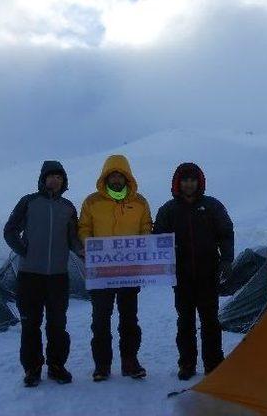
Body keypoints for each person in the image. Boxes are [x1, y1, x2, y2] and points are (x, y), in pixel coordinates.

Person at [4, 160, 83, 387]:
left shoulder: (68, 207)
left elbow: (73, 240)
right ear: (43, 179)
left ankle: (57, 367)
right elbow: (10, 230)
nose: (55, 180)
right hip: (30, 276)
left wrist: (82, 251)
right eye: (51, 176)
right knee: (31, 325)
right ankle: (32, 369)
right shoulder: (29, 202)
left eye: (59, 177)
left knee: (57, 325)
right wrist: (23, 251)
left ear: (64, 181)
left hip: (58, 277)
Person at [153, 162, 234, 380]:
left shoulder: (212, 206)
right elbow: (157, 239)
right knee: (185, 322)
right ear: (178, 183)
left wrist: (226, 260)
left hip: (208, 274)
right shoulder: (168, 210)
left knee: (210, 321)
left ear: (199, 182)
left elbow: (226, 233)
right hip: (181, 276)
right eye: (185, 180)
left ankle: (214, 364)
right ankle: (187, 364)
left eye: (192, 180)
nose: (189, 184)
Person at [78, 155, 152, 382]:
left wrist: (144, 242)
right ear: (106, 177)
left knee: (129, 319)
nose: (117, 179)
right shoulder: (92, 202)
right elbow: (84, 227)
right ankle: (102, 365)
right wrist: (88, 245)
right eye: (113, 175)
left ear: (127, 177)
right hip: (101, 273)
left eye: (121, 175)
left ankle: (130, 361)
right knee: (100, 320)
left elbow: (146, 227)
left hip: (130, 271)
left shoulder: (140, 202)